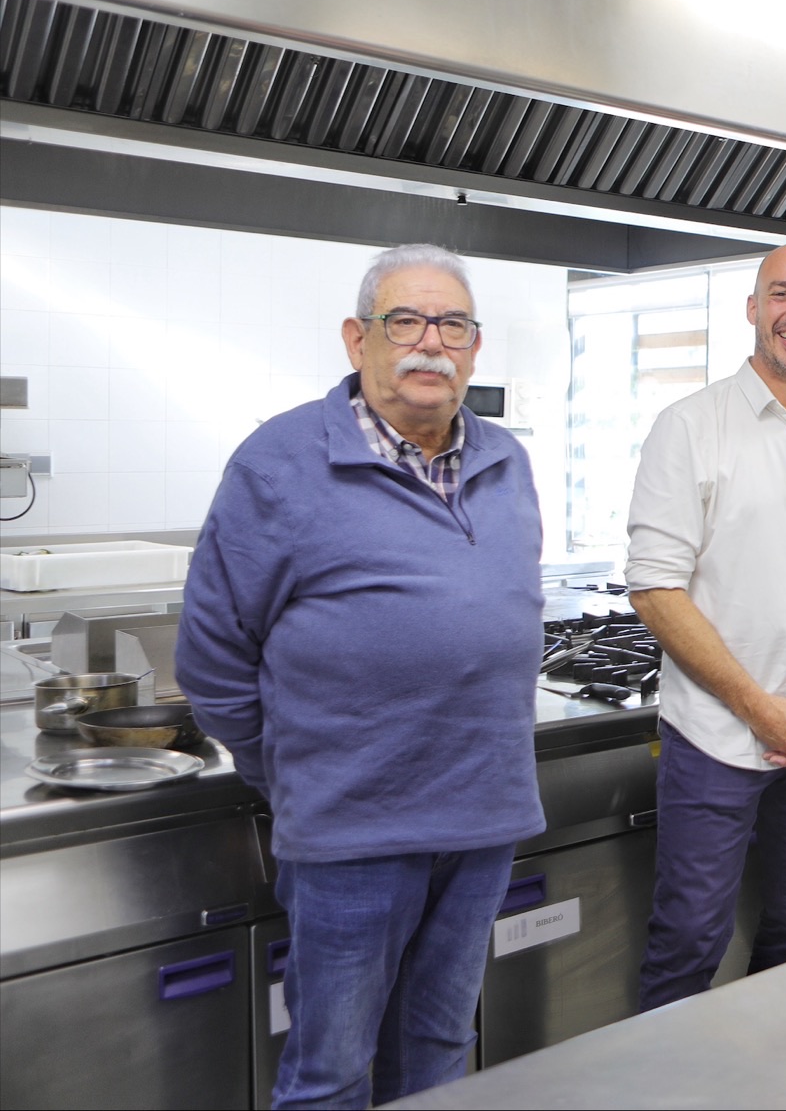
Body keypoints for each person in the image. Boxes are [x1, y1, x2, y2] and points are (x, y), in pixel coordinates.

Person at [177, 244, 545, 1110]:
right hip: (351, 831)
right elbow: (213, 657)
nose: (431, 344)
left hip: (483, 818)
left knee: (441, 1046)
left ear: (475, 346)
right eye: (406, 321)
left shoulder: (506, 461)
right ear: (358, 339)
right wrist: (300, 771)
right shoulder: (279, 462)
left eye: (453, 324)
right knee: (332, 1071)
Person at [625, 240, 786, 1009]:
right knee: (689, 942)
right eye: (781, 294)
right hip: (717, 738)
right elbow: (655, 586)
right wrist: (757, 707)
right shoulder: (689, 427)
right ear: (752, 309)